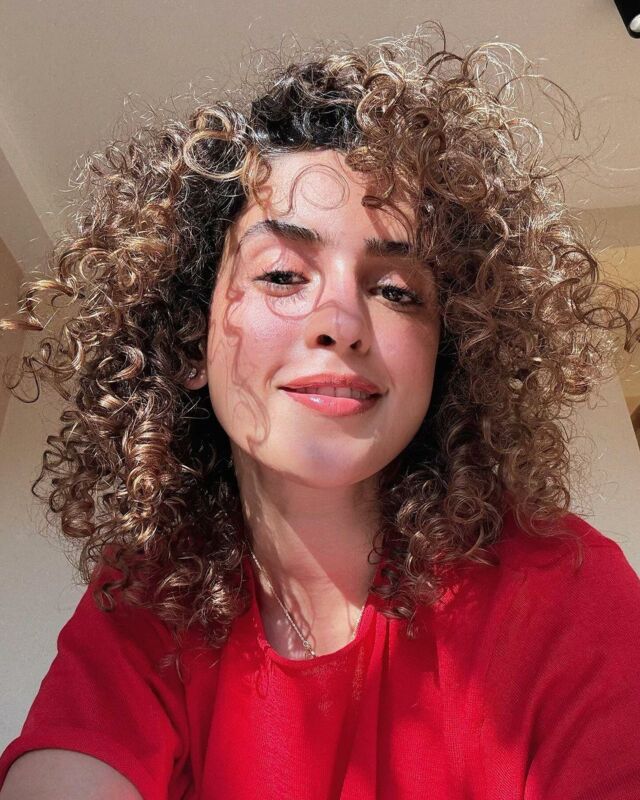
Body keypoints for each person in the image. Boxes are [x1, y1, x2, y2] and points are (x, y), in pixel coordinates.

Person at [1, 23, 639, 800]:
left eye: (396, 291)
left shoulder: (567, 592)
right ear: (190, 340)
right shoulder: (146, 598)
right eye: (281, 274)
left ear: (445, 358)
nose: (341, 319)